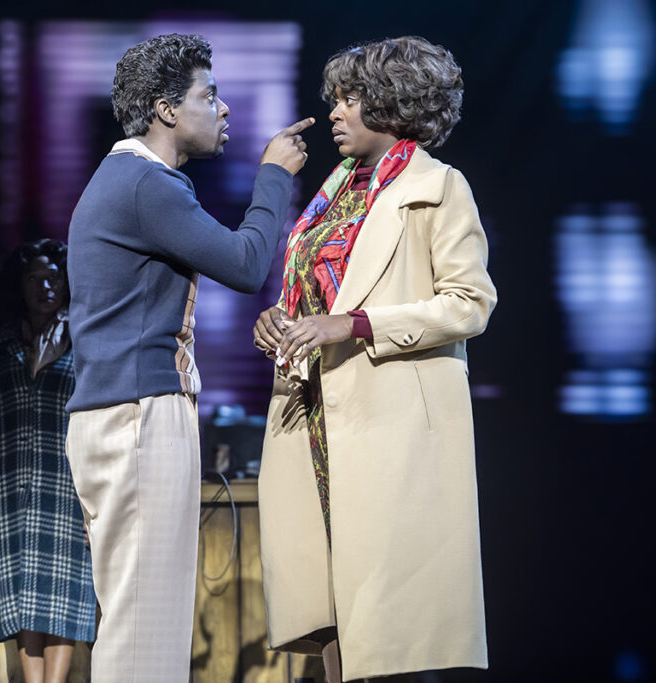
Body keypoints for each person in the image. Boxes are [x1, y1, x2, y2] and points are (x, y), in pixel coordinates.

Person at [64, 33, 312, 682]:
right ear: (165, 109)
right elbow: (247, 261)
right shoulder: (147, 185)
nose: (224, 108)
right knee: (146, 632)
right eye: (210, 95)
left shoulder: (125, 180)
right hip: (139, 416)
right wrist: (274, 177)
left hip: (116, 414)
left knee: (136, 620)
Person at [253, 37, 497, 682]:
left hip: (388, 420)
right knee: (330, 603)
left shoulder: (438, 187)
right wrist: (279, 317)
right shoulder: (332, 193)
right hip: (311, 416)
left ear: (394, 103)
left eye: (350, 98)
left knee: (388, 618)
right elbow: (313, 290)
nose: (334, 112)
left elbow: (469, 305)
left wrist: (358, 323)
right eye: (335, 98)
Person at [0, 239, 96, 683]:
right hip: (10, 490)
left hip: (67, 487)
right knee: (21, 595)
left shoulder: (86, 340)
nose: (45, 287)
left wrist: (98, 495)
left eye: (54, 278)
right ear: (19, 285)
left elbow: (101, 418)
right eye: (35, 278)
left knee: (64, 596)